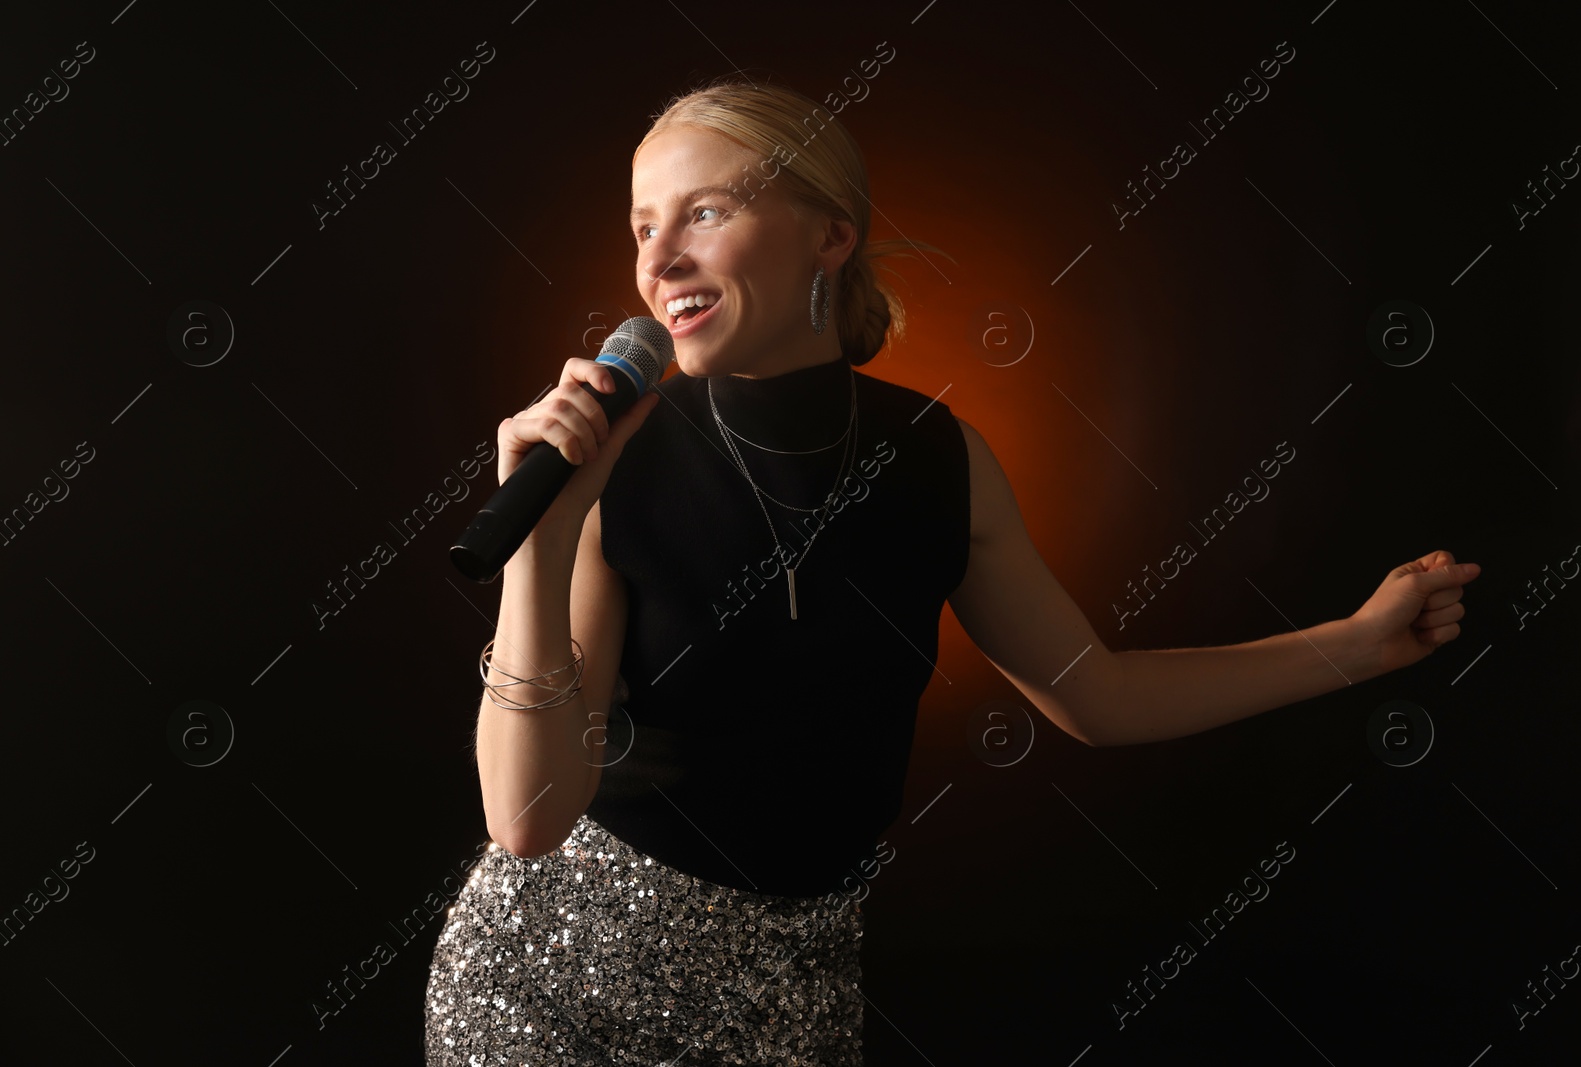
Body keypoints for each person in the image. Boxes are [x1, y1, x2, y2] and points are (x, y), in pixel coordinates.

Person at [422, 77, 1481, 1066]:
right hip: (551, 991)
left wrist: (1352, 645)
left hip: (793, 993)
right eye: (645, 227)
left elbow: (1094, 695)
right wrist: (543, 539)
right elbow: (527, 818)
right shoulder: (618, 458)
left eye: (703, 212)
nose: (659, 260)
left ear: (831, 234)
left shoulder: (936, 455)